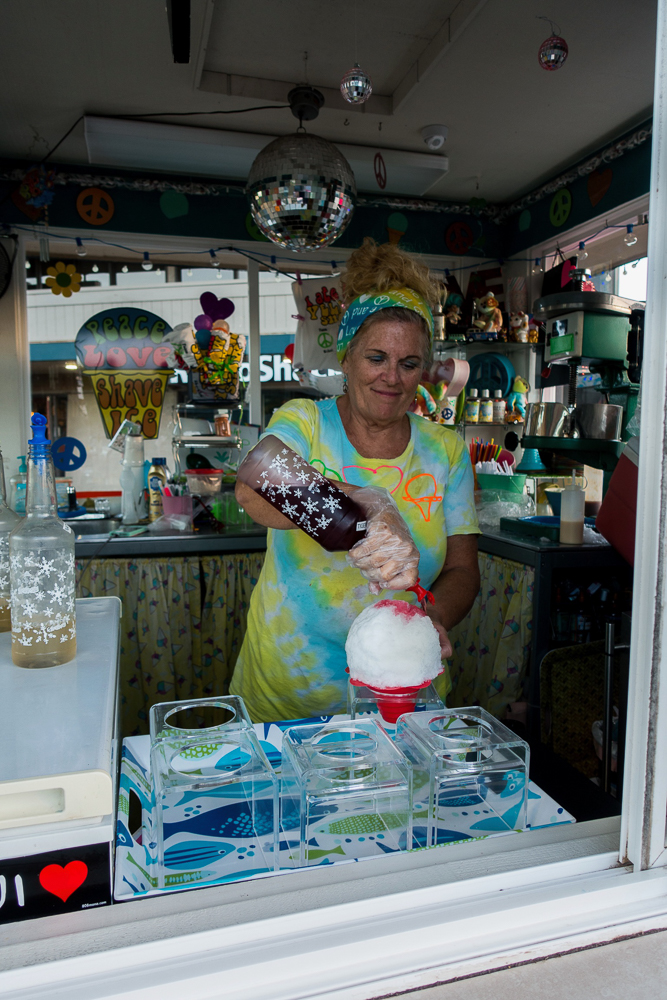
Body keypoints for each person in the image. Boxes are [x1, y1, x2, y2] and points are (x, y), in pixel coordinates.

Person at [231, 239, 480, 722]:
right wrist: (358, 503)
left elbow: (463, 572)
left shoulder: (444, 450)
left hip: (401, 694)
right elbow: (254, 483)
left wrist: (435, 618)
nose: (392, 377)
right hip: (290, 696)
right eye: (376, 358)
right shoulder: (305, 421)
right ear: (345, 357)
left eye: (409, 363)